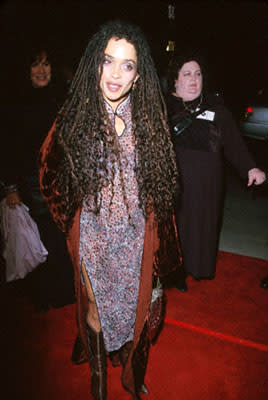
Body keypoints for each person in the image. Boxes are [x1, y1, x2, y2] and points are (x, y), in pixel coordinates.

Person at [39, 20, 181, 400]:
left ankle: (130, 371)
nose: (116, 73)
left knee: (135, 314)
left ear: (138, 77)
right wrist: (73, 225)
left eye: (127, 65)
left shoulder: (150, 120)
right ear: (95, 66)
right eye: (108, 61)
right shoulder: (74, 118)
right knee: (96, 312)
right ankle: (98, 382)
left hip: (135, 241)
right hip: (94, 241)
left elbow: (163, 188)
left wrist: (156, 245)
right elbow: (47, 174)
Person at [166, 53, 266, 292]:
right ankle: (175, 272)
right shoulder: (165, 108)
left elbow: (233, 143)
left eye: (198, 74)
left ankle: (198, 267)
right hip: (175, 182)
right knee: (176, 227)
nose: (193, 80)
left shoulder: (217, 110)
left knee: (204, 225)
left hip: (208, 183)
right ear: (175, 81)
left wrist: (250, 167)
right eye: (187, 74)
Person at [0, 48, 75, 312]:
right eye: (35, 65)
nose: (42, 70)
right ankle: (42, 295)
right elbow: (6, 147)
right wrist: (10, 187)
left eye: (46, 63)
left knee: (59, 237)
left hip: (58, 182)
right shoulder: (13, 103)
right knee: (35, 240)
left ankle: (63, 292)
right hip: (29, 184)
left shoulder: (59, 99)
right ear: (25, 70)